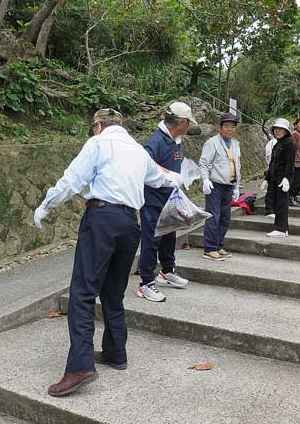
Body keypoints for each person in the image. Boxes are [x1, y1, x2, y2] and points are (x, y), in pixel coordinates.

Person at [34, 108, 182, 397]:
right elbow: (159, 178)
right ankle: (116, 352)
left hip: (102, 219)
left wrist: (46, 206)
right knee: (113, 292)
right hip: (131, 224)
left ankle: (80, 366)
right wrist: (177, 179)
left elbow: (72, 180)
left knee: (83, 292)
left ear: (98, 126)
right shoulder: (139, 151)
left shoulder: (98, 143)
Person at [137, 102, 197, 303]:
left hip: (170, 200)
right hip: (153, 201)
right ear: (180, 122)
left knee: (169, 236)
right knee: (151, 240)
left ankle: (167, 271)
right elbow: (144, 161)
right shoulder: (157, 140)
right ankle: (146, 282)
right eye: (188, 122)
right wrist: (168, 174)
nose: (189, 127)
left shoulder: (176, 140)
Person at [199, 112, 241, 261]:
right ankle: (209, 248)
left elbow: (237, 165)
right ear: (220, 127)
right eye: (227, 126)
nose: (230, 129)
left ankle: (218, 245)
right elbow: (204, 163)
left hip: (229, 186)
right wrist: (205, 180)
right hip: (215, 185)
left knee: (225, 218)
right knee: (213, 217)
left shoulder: (236, 144)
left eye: (233, 126)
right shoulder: (212, 142)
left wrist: (236, 186)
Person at [264, 118, 295, 238]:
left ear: (286, 131)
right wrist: (267, 178)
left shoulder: (289, 144)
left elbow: (290, 163)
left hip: (282, 178)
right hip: (274, 177)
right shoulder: (277, 144)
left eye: (280, 129)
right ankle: (282, 227)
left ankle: (281, 229)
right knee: (277, 202)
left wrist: (287, 178)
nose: (277, 131)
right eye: (276, 129)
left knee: (282, 202)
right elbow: (272, 162)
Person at [289, 117, 300, 207]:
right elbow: (293, 149)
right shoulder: (295, 135)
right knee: (296, 181)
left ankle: (293, 197)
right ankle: (291, 198)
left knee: (299, 181)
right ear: (296, 125)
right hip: (296, 162)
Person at [261, 133, 278, 216]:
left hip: (281, 171)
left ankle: (274, 209)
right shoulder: (272, 143)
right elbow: (268, 157)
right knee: (271, 190)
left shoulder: (286, 143)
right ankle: (269, 209)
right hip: (273, 170)